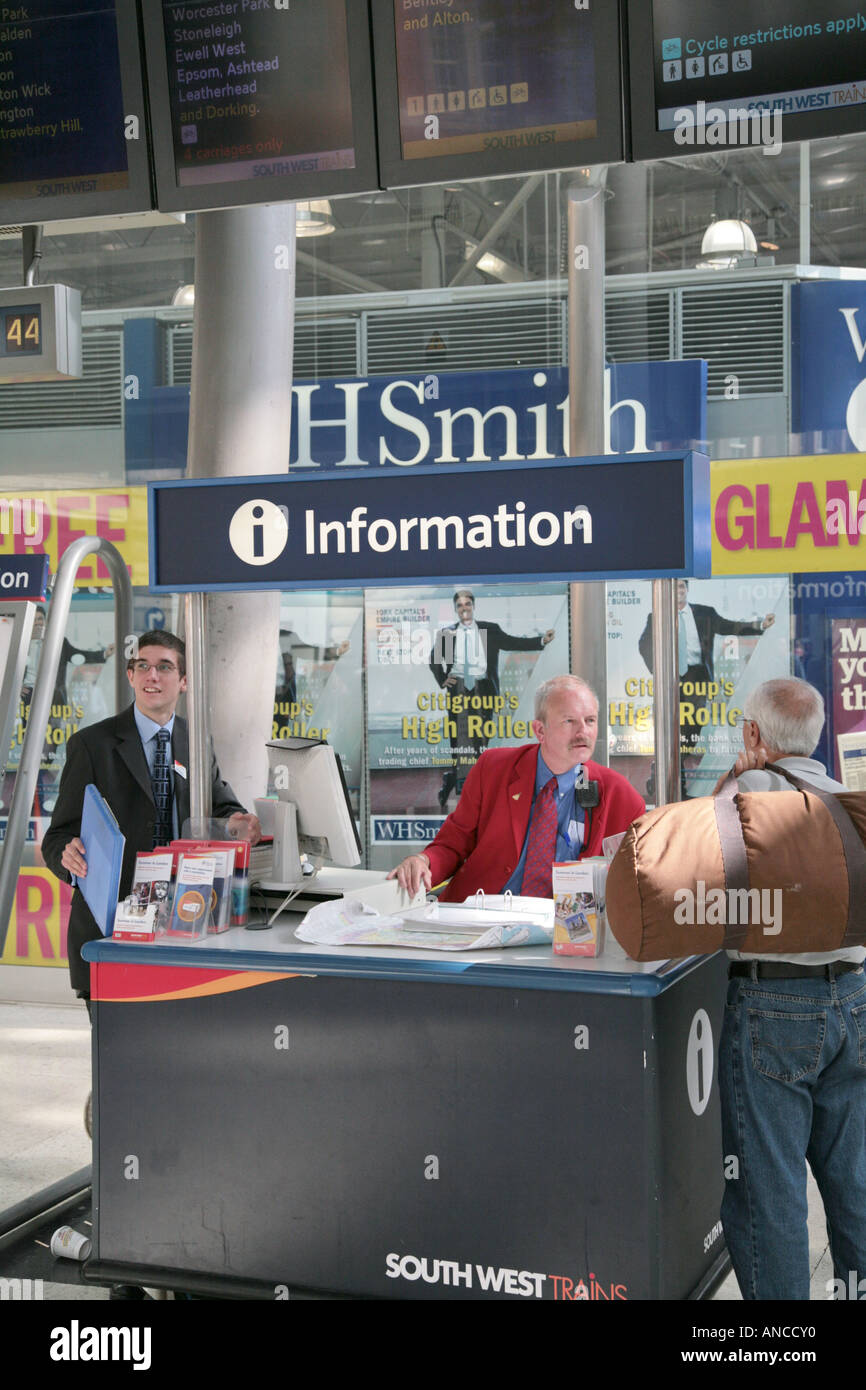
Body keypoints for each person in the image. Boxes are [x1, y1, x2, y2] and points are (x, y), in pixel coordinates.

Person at [714, 676, 866, 1301]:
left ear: (753, 734)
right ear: (818, 736)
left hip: (774, 1007)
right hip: (853, 1000)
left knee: (770, 1193)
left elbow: (693, 870)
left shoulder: (747, 794)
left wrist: (729, 778)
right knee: (853, 1183)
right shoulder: (848, 797)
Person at [42, 630, 261, 1008]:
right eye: (142, 666)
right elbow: (58, 836)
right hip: (113, 929)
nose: (152, 676)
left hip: (187, 920)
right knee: (118, 1057)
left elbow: (220, 808)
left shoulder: (195, 742)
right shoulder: (92, 745)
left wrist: (236, 825)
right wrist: (67, 853)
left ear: (185, 681)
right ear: (130, 676)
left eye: (164, 667)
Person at [390, 674, 645, 899]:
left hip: (566, 933)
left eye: (590, 720)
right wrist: (422, 861)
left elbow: (631, 882)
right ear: (540, 730)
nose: (583, 732)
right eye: (569, 721)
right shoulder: (494, 768)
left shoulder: (620, 798)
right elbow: (453, 843)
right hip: (482, 916)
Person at [639, 579, 775, 795]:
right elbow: (644, 645)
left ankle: (664, 772)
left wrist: (760, 625)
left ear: (687, 590)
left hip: (697, 676)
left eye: (682, 587)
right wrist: (658, 672)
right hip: (670, 677)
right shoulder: (657, 616)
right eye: (677, 588)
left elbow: (730, 626)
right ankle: (674, 782)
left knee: (692, 728)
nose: (679, 591)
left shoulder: (704, 613)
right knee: (671, 729)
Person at [429, 589, 555, 809]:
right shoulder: (447, 634)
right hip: (458, 687)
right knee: (459, 740)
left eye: (467, 604)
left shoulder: (490, 629)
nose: (464, 608)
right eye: (460, 605)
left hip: (483, 688)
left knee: (481, 739)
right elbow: (433, 659)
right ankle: (456, 780)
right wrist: (443, 680)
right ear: (456, 609)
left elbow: (513, 642)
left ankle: (477, 786)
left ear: (473, 606)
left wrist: (542, 640)